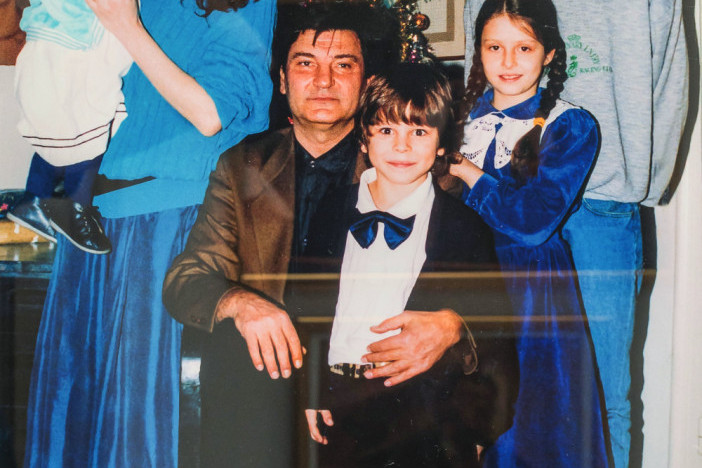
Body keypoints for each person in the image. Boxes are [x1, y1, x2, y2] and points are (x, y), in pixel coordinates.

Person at [163, 3, 487, 465]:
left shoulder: (412, 164)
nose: (323, 80)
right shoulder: (243, 166)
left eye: (343, 65)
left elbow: (487, 289)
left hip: (376, 404)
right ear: (282, 80)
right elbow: (188, 278)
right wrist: (240, 303)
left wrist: (454, 325)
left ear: (366, 81)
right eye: (305, 64)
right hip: (264, 392)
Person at [23, 0, 275, 466]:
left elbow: (211, 114)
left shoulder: (244, 5)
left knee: (136, 429)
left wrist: (126, 25)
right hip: (94, 219)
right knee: (71, 423)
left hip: (164, 224)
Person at [464, 1, 688, 466]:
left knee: (603, 390)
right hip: (507, 196)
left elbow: (670, 73)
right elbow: (478, 48)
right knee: (509, 384)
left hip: (604, 196)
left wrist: (643, 181)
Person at [296, 62, 518, 468]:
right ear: (364, 139)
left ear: (441, 143)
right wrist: (308, 391)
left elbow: (495, 330)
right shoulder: (330, 211)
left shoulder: (464, 227)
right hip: (339, 406)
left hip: (428, 414)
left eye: (419, 132)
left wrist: (477, 431)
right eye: (386, 130)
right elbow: (304, 306)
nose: (402, 147)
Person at [451, 0, 609, 466]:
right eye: (494, 47)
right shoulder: (456, 118)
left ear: (549, 54)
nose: (508, 61)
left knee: (530, 424)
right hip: (461, 281)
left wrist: (469, 173)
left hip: (531, 294)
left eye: (524, 47)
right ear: (478, 52)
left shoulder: (570, 125)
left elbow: (534, 222)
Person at [8, 0, 132, 254]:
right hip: (73, 55)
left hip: (52, 50)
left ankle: (35, 197)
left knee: (61, 135)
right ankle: (74, 207)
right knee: (88, 136)